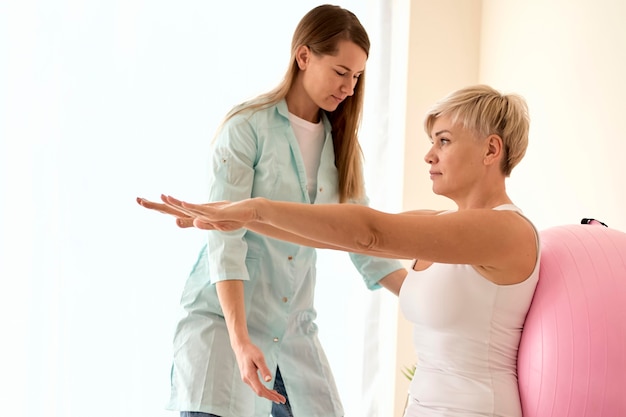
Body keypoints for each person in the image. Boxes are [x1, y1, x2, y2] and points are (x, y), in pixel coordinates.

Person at [138, 84, 540, 417]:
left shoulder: (505, 229)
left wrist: (255, 207)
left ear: (491, 151)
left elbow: (369, 233)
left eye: (444, 141)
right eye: (432, 141)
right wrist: (240, 216)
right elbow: (335, 235)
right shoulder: (440, 224)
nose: (429, 154)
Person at [138, 4, 406, 417]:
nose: (349, 88)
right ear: (303, 56)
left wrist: (428, 301)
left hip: (294, 335)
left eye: (356, 77)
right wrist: (240, 340)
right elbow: (225, 240)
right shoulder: (246, 128)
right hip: (225, 331)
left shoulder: (342, 150)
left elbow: (362, 242)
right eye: (340, 72)